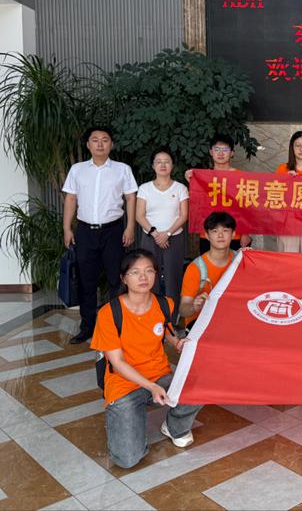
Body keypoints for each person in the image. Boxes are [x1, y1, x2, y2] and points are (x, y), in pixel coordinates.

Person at [90, 249, 202, 469]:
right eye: (135, 272)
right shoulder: (109, 313)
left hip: (159, 375)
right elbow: (117, 362)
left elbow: (165, 328)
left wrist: (176, 342)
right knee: (127, 459)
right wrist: (150, 387)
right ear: (124, 278)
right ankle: (126, 416)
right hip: (124, 384)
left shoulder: (165, 303)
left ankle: (174, 427)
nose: (143, 277)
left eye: (149, 271)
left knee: (199, 385)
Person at [63, 126, 138, 344]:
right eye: (95, 140)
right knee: (87, 281)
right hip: (85, 231)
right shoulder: (77, 170)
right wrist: (67, 228)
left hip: (113, 231)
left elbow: (131, 198)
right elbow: (70, 199)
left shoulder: (122, 169)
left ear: (111, 144)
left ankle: (116, 326)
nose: (100, 144)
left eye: (105, 140)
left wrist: (130, 226)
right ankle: (87, 326)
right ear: (88, 145)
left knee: (117, 279)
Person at [136, 148, 189, 307]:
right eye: (158, 162)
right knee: (149, 275)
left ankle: (172, 315)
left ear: (172, 165)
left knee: (173, 276)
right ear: (153, 166)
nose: (163, 165)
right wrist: (156, 234)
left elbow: (183, 215)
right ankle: (152, 313)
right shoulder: (145, 188)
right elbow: (140, 215)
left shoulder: (180, 188)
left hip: (174, 238)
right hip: (150, 238)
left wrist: (167, 233)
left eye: (167, 162)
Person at [186, 134, 251, 251]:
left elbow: (246, 207)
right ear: (211, 152)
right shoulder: (203, 177)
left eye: (225, 150)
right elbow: (198, 204)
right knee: (209, 262)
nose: (221, 153)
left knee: (234, 263)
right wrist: (191, 180)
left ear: (232, 153)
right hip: (209, 232)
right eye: (217, 149)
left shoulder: (240, 176)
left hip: (234, 233)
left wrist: (245, 233)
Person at [180, 211, 237, 330]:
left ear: (233, 234)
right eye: (215, 231)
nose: (220, 235)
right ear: (207, 235)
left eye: (225, 230)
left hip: (230, 319)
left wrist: (251, 257)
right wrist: (194, 307)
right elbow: (183, 309)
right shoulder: (195, 268)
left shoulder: (240, 261)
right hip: (200, 323)